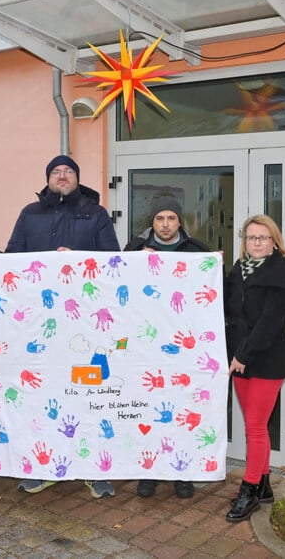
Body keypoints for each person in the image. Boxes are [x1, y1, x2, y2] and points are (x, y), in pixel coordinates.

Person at [5, 154, 121, 499]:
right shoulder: (30, 213)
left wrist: (77, 259)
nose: (62, 175)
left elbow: (112, 259)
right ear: (48, 179)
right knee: (46, 395)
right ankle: (46, 466)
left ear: (77, 178)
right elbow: (13, 257)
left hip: (86, 322)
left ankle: (94, 469)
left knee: (89, 394)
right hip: (41, 324)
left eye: (68, 171)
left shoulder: (94, 213)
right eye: (56, 171)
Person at [124, 195, 209, 499]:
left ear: (179, 221)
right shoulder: (133, 250)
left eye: (171, 218)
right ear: (152, 221)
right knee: (148, 411)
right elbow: (119, 290)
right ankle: (149, 473)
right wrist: (134, 263)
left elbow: (210, 295)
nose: (165, 224)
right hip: (144, 348)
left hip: (183, 348)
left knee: (182, 410)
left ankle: (182, 472)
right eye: (159, 218)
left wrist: (214, 266)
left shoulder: (197, 251)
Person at [223, 214, 285, 522]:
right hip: (239, 358)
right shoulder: (238, 270)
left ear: (274, 241)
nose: (256, 243)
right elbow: (224, 306)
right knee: (258, 427)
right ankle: (265, 485)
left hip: (265, 360)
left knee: (254, 427)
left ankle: (249, 492)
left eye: (262, 238)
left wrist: (244, 355)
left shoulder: (282, 272)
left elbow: (271, 322)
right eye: (251, 238)